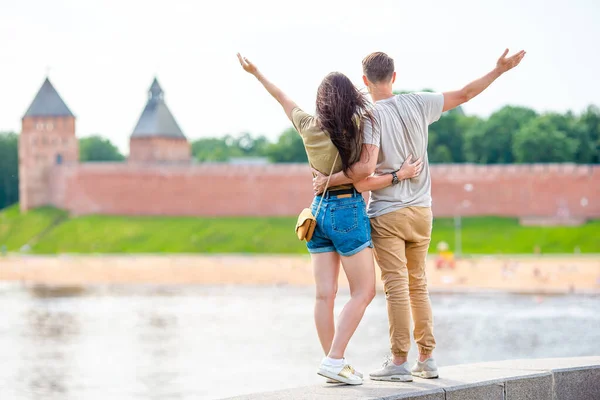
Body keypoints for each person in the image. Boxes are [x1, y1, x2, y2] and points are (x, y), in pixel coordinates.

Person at [314, 49, 526, 382]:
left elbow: (364, 175)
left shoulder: (370, 117)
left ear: (365, 81)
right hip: (423, 211)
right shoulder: (420, 102)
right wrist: (498, 70)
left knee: (396, 289)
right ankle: (426, 359)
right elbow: (467, 93)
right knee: (419, 286)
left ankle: (399, 362)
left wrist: (330, 179)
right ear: (394, 77)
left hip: (388, 213)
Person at [236, 53, 422, 385]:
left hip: (317, 212)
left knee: (324, 294)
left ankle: (334, 363)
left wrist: (256, 73)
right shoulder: (357, 124)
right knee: (364, 292)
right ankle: (335, 359)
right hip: (348, 210)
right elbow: (365, 170)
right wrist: (400, 174)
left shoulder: (307, 125)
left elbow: (282, 97)